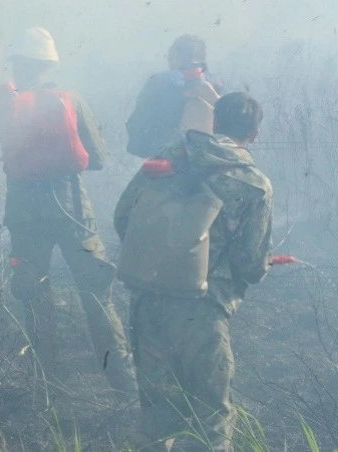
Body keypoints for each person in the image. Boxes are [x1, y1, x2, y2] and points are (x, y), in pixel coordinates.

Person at [0, 27, 134, 393]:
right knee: (96, 294)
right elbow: (99, 160)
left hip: (25, 216)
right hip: (74, 211)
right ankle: (122, 381)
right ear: (49, 64)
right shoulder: (72, 100)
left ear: (18, 65)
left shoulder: (2, 107)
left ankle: (47, 383)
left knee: (34, 295)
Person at [114, 92, 272, 451]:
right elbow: (251, 266)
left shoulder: (169, 156)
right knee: (212, 419)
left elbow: (123, 217)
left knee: (157, 417)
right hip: (203, 311)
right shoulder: (253, 183)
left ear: (214, 122)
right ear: (254, 134)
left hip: (148, 299)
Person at [126, 34, 222, 159]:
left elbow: (139, 124)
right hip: (210, 158)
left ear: (174, 56)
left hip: (169, 158)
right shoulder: (217, 85)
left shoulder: (160, 81)